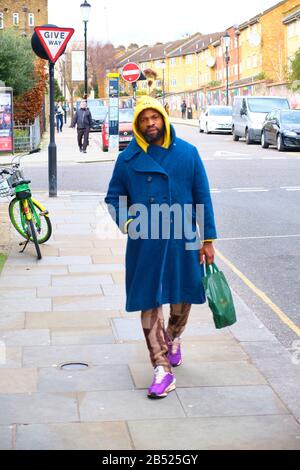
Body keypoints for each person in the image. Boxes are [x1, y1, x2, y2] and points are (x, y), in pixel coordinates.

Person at [105, 96, 217, 399]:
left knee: (182, 298)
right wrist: (130, 224)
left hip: (184, 235)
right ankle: (161, 368)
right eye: (144, 119)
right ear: (138, 124)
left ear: (164, 119)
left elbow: (201, 197)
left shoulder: (188, 154)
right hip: (146, 240)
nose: (150, 124)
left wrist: (207, 240)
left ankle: (173, 337)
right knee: (148, 299)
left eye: (154, 118)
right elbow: (113, 198)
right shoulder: (127, 159)